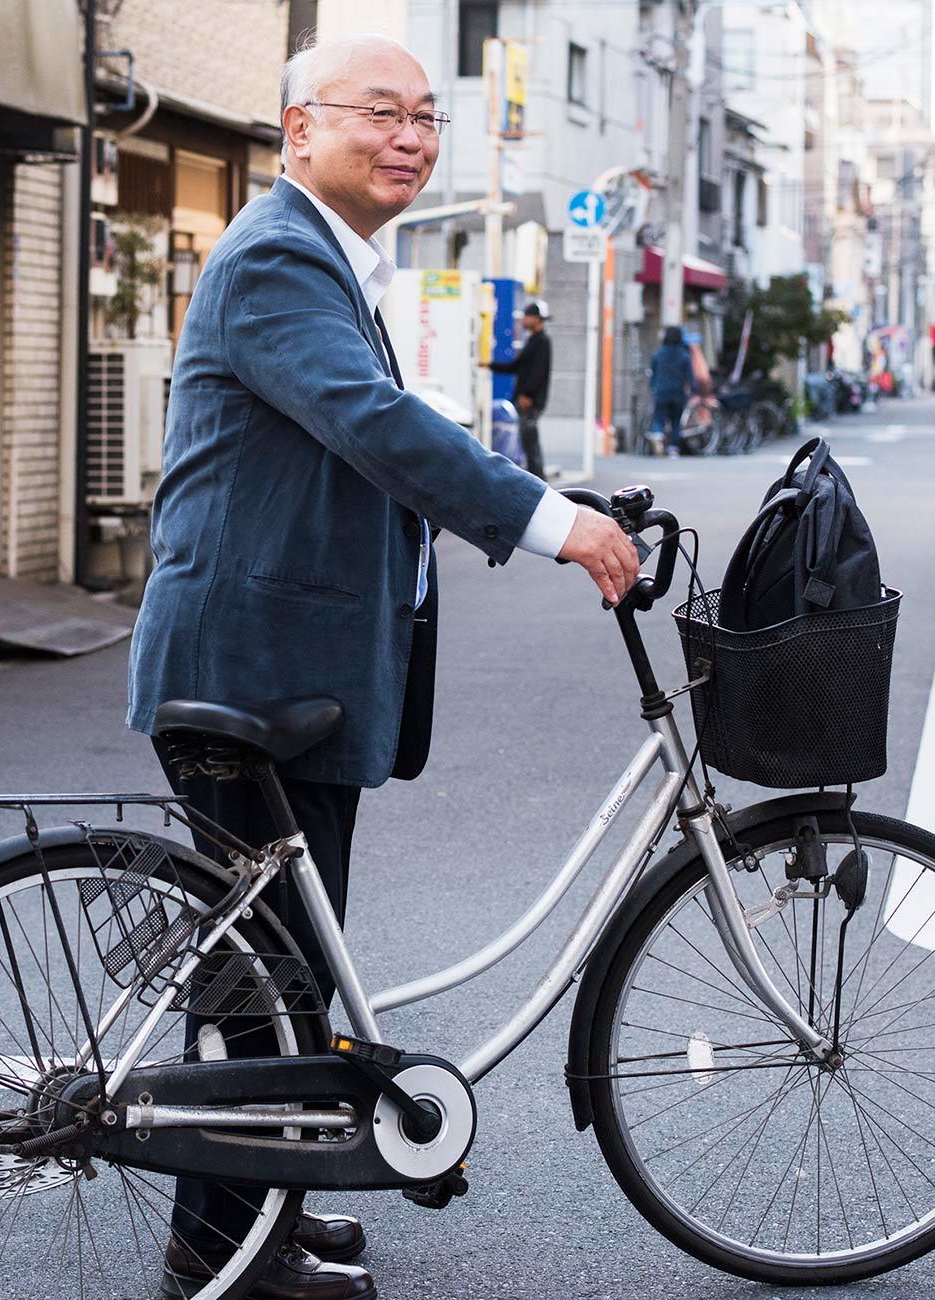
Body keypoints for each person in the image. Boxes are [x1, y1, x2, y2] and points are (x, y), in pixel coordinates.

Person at [124, 32, 641, 1300]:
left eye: (424, 117)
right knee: (268, 972)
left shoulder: (326, 260)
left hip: (286, 666)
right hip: (245, 668)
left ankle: (260, 1211)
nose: (408, 135)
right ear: (298, 129)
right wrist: (547, 520)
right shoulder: (278, 259)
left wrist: (539, 494)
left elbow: (369, 438)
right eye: (378, 113)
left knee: (290, 960)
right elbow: (372, 423)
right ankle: (221, 1251)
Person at [487, 299, 551, 481]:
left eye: (528, 316)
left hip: (529, 401)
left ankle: (538, 482)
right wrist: (489, 365)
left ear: (537, 319)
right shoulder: (533, 340)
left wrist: (528, 395)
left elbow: (538, 372)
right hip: (526, 399)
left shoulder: (542, 341)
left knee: (529, 442)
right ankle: (536, 480)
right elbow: (517, 366)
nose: (524, 320)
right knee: (526, 441)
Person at [648, 324, 692, 455]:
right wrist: (693, 391)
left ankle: (657, 434)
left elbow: (653, 373)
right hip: (678, 392)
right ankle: (673, 448)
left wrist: (652, 388)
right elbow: (690, 376)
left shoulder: (657, 354)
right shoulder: (684, 355)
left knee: (659, 417)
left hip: (661, 390)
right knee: (676, 421)